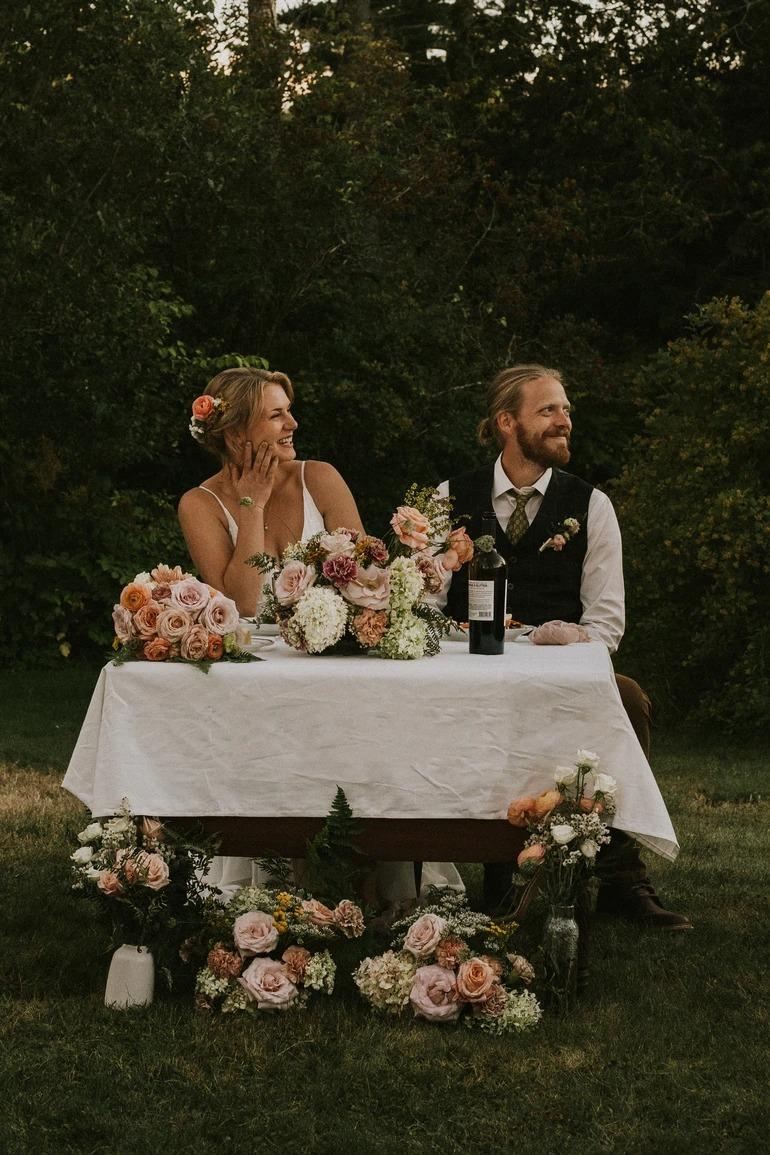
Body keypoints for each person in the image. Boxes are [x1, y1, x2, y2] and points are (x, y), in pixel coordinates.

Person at [178, 365, 461, 907]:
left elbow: (368, 577)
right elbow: (241, 604)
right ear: (235, 434)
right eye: (276, 415)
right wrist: (252, 504)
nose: (293, 424)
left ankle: (373, 893)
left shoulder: (320, 478)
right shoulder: (199, 504)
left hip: (340, 667)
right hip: (256, 683)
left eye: (289, 411)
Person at [435, 363, 692, 930]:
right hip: (466, 669)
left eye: (566, 409)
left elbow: (606, 622)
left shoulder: (592, 505)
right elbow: (424, 606)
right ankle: (497, 868)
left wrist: (565, 641)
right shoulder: (448, 498)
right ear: (507, 422)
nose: (564, 420)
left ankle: (621, 877)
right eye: (548, 409)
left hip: (559, 669)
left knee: (628, 698)